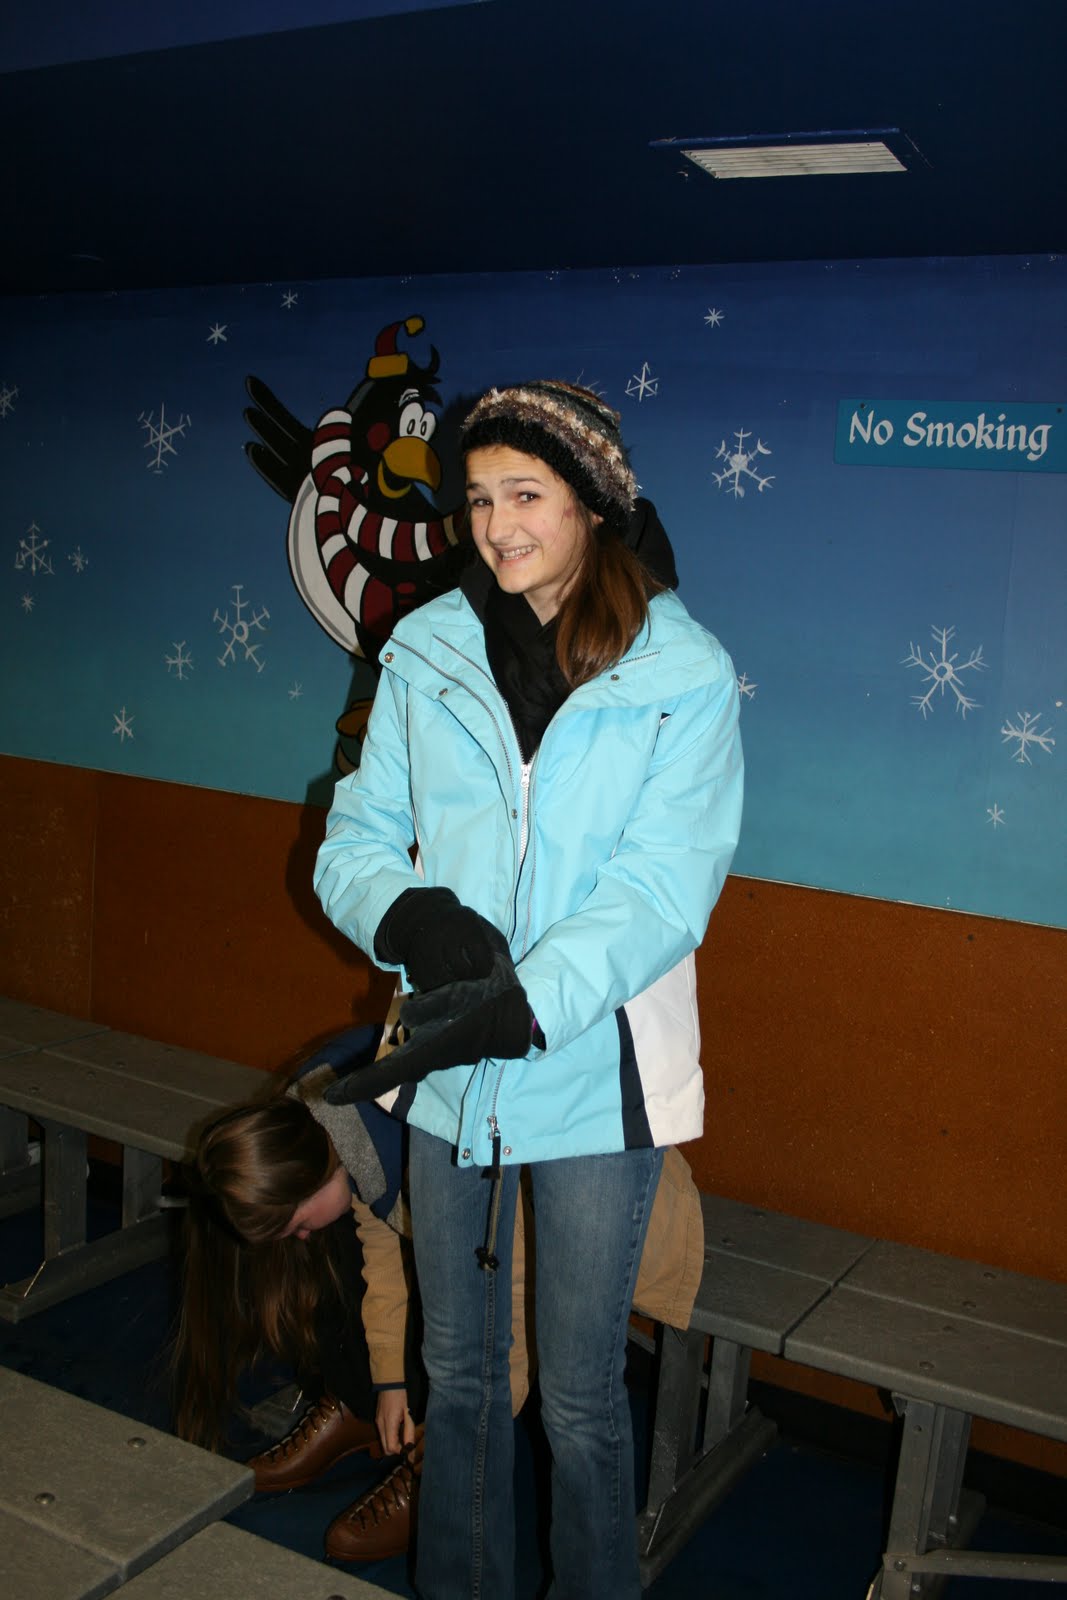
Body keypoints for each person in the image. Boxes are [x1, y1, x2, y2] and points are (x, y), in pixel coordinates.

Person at [313, 381, 744, 1600]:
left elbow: (664, 885)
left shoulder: (682, 670)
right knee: (457, 1372)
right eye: (477, 498)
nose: (496, 526)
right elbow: (355, 834)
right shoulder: (427, 647)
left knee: (577, 1396)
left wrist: (532, 997)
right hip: (451, 1064)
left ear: (591, 503)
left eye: (525, 495)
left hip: (593, 1067)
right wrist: (406, 915)